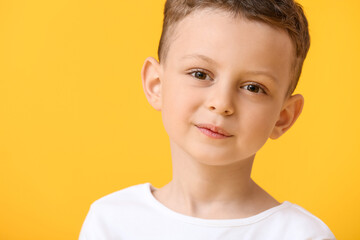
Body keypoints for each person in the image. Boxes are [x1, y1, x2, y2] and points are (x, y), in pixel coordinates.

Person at [79, 0, 336, 239]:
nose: (222, 103)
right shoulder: (110, 221)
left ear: (283, 117)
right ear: (156, 85)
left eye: (253, 88)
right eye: (201, 74)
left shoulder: (301, 235)